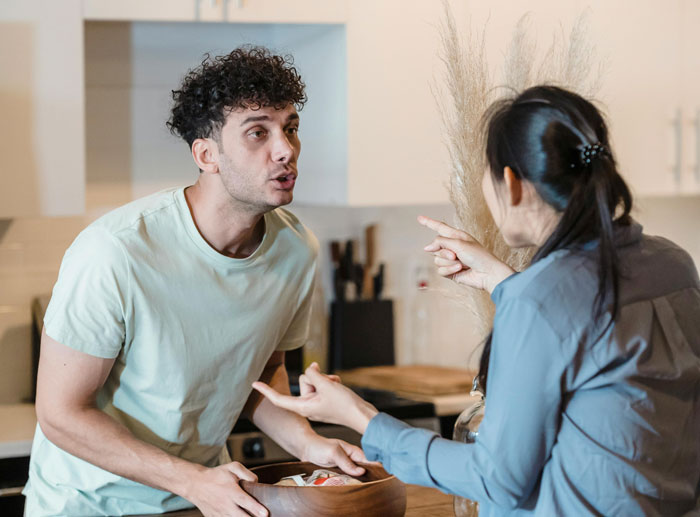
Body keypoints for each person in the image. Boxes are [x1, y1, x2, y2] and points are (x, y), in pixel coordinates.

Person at [253, 85, 700, 516]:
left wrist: (361, 416)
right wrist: (501, 279)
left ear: (511, 182)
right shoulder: (673, 265)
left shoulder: (539, 301)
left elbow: (497, 479)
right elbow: (588, 342)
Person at [24, 46, 367, 517]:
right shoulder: (115, 251)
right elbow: (61, 415)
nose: (286, 149)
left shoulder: (295, 250)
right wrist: (193, 481)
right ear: (207, 155)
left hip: (204, 498)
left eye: (290, 128)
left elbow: (261, 376)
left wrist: (310, 444)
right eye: (257, 133)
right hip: (89, 504)